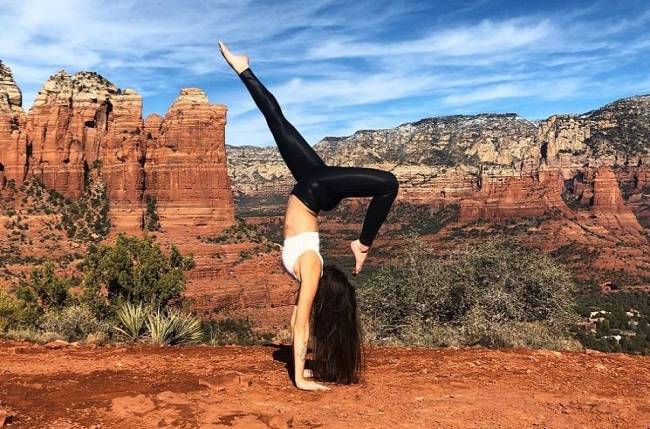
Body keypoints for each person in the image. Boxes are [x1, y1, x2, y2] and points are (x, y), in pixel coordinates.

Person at [218, 41, 399, 391]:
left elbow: (299, 322)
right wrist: (300, 372)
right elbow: (299, 319)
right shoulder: (307, 270)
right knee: (278, 121)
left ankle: (363, 244)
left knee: (388, 184)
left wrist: (300, 377)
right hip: (313, 191)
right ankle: (242, 68)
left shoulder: (311, 270)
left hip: (314, 190)